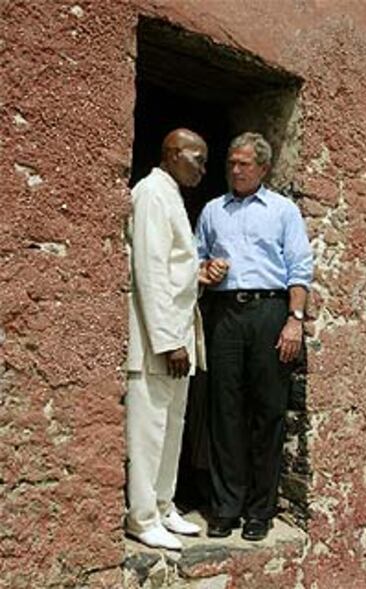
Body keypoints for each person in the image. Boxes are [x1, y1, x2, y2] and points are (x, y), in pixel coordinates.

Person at [196, 132, 313, 541]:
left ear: (262, 168)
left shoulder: (283, 211)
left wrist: (294, 319)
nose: (236, 169)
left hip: (270, 310)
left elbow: (299, 267)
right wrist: (205, 271)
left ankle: (259, 510)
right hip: (225, 312)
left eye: (244, 163)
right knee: (224, 410)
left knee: (268, 411)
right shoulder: (213, 210)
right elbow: (196, 259)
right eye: (231, 162)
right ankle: (226, 507)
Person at [125, 128, 209, 550]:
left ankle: (162, 504)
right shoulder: (152, 194)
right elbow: (151, 270)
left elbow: (176, 268)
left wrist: (200, 273)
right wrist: (167, 340)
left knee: (173, 424)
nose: (204, 169)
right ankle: (141, 516)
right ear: (174, 154)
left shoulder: (172, 194)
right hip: (159, 338)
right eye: (199, 159)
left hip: (178, 333)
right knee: (150, 426)